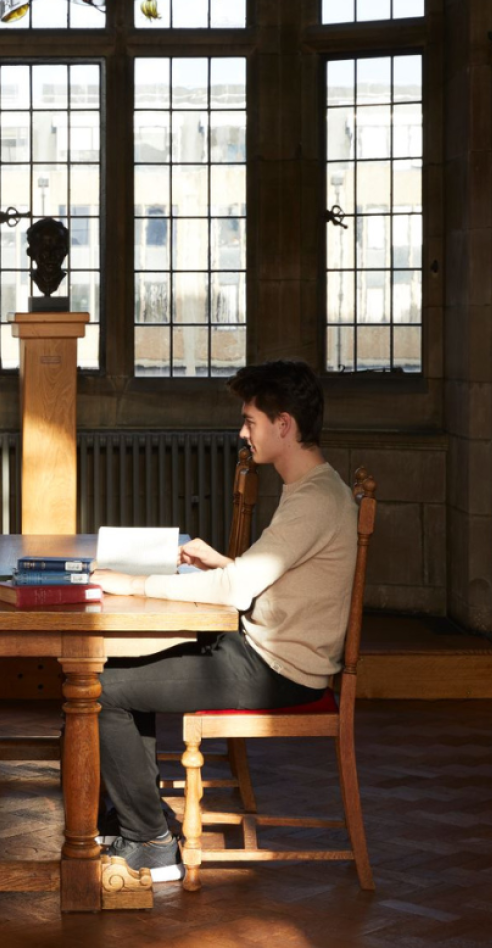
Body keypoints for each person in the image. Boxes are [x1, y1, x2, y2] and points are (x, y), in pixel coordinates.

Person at [90, 360, 359, 883]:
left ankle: (150, 842)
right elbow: (274, 580)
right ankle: (136, 819)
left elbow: (235, 596)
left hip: (276, 669)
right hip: (262, 652)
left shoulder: (314, 499)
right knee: (119, 667)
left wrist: (131, 584)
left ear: (284, 425)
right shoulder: (312, 489)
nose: (243, 433)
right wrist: (227, 564)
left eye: (251, 421)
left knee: (99, 689)